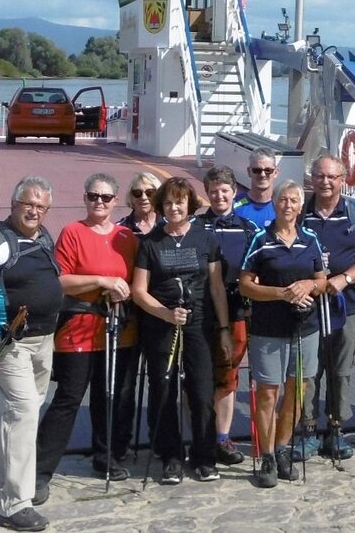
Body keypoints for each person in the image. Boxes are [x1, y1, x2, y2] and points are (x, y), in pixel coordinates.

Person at [0, 176, 61, 531]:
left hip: (41, 341)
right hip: (7, 342)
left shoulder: (44, 237)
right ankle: (15, 504)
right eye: (27, 204)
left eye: (41, 206)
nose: (34, 211)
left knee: (21, 413)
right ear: (13, 204)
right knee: (23, 413)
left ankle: (5, 486)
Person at [35, 174, 137, 498]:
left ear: (115, 201)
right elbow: (62, 280)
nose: (100, 202)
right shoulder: (73, 232)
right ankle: (39, 470)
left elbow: (135, 279)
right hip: (80, 325)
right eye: (94, 196)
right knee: (68, 398)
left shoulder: (126, 236)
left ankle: (105, 456)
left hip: (118, 326)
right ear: (85, 198)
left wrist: (121, 290)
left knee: (109, 397)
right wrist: (101, 281)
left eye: (106, 197)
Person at [132, 178, 231, 484]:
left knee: (202, 392)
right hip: (162, 326)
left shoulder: (205, 238)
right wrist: (164, 313)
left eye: (180, 202)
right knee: (164, 391)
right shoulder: (151, 242)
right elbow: (139, 291)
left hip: (199, 325)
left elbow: (216, 287)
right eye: (168, 203)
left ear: (190, 204)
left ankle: (204, 456)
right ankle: (171, 456)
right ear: (161, 207)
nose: (174, 208)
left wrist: (224, 328)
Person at [240, 180, 328, 488]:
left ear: (301, 206)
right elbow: (245, 284)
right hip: (269, 328)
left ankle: (282, 449)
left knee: (297, 390)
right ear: (274, 204)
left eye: (293, 201)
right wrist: (280, 293)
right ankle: (266, 456)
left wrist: (308, 286)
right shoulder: (261, 240)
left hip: (305, 327)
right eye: (283, 200)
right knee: (268, 393)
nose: (288, 205)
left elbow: (321, 281)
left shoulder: (311, 239)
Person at [292, 155, 355, 461]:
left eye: (331, 177)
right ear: (311, 179)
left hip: (345, 304)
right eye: (319, 176)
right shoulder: (301, 213)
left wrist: (344, 278)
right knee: (309, 370)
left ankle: (337, 428)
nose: (325, 182)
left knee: (341, 369)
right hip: (309, 306)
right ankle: (309, 429)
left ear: (343, 179)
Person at [196, 166, 259, 466]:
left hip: (235, 313)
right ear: (206, 193)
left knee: (227, 375)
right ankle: (198, 436)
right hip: (198, 312)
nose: (219, 195)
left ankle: (221, 437)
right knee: (195, 377)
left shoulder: (248, 230)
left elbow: (259, 270)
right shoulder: (195, 227)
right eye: (213, 190)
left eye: (225, 190)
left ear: (234, 193)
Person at [113, 171, 164, 471]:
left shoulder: (169, 227)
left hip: (161, 313)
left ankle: (160, 440)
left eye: (149, 191)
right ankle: (119, 445)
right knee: (124, 384)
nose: (144, 197)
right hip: (129, 314)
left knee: (162, 382)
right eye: (137, 192)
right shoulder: (120, 230)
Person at [234, 147, 278, 229]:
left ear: (276, 172)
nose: (262, 175)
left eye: (268, 170)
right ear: (249, 172)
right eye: (257, 170)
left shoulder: (283, 206)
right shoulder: (235, 205)